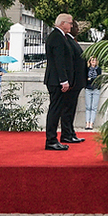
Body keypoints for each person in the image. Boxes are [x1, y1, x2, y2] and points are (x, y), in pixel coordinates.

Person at [44, 13, 77, 151]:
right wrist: (63, 80)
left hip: (56, 80)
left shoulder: (60, 36)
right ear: (62, 23)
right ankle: (51, 140)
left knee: (57, 109)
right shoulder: (57, 37)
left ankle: (53, 139)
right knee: (55, 110)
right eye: (70, 23)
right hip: (56, 80)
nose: (71, 25)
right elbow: (59, 61)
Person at [84, 56, 102, 130]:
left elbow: (98, 79)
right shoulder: (87, 69)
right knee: (88, 107)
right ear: (90, 61)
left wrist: (91, 79)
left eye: (94, 60)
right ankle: (87, 123)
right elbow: (86, 79)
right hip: (88, 89)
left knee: (94, 107)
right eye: (92, 60)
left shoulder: (98, 69)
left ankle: (91, 123)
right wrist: (90, 80)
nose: (93, 61)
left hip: (96, 89)